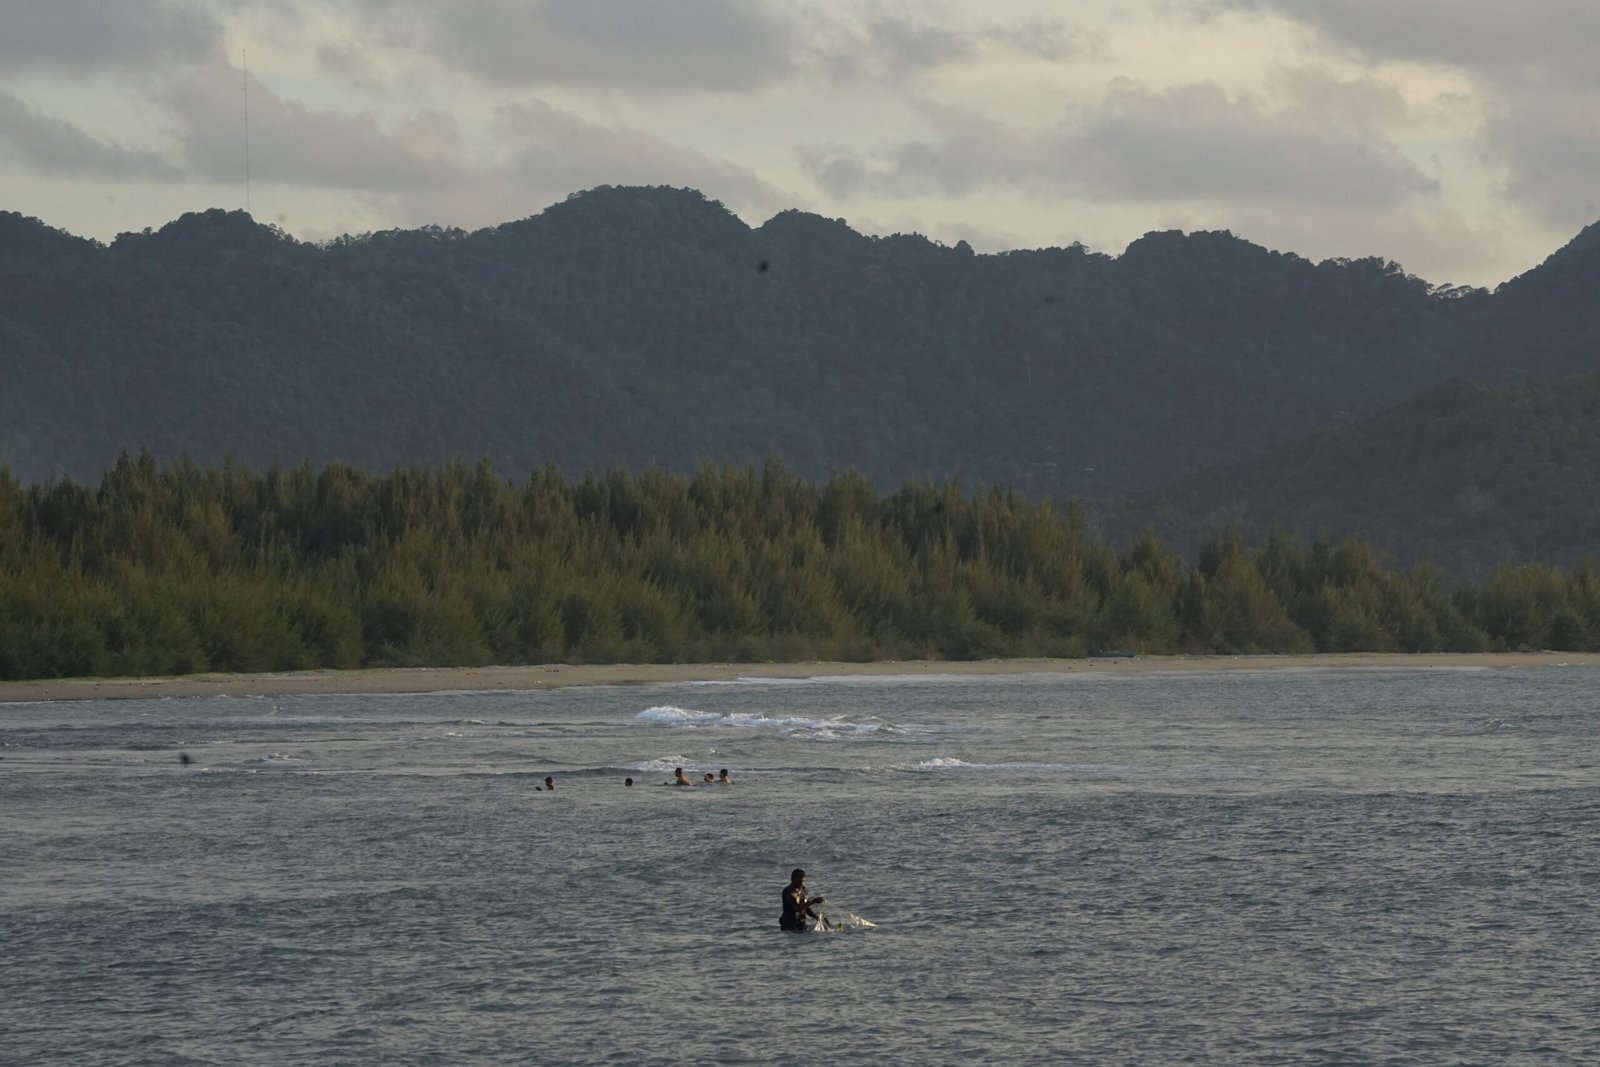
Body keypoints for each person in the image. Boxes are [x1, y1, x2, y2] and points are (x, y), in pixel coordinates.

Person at [780, 868, 825, 932]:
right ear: (793, 880)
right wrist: (814, 901)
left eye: (803, 881)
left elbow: (805, 908)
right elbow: (797, 908)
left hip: (802, 923)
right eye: (800, 881)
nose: (801, 884)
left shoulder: (804, 890)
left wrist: (817, 918)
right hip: (789, 925)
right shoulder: (788, 892)